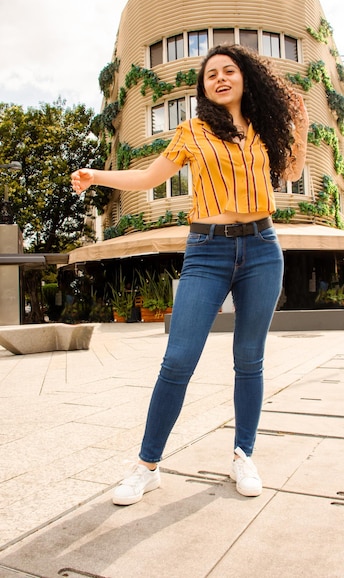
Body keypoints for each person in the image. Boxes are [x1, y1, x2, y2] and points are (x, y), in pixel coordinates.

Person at [71, 44, 308, 504]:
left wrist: (300, 127)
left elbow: (294, 169)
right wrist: (97, 176)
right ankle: (146, 466)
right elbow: (147, 179)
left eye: (229, 71)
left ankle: (243, 455)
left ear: (246, 78)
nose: (219, 78)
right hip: (207, 250)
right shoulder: (192, 131)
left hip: (262, 249)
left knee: (249, 358)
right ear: (202, 86)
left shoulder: (265, 128)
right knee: (178, 359)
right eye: (211, 74)